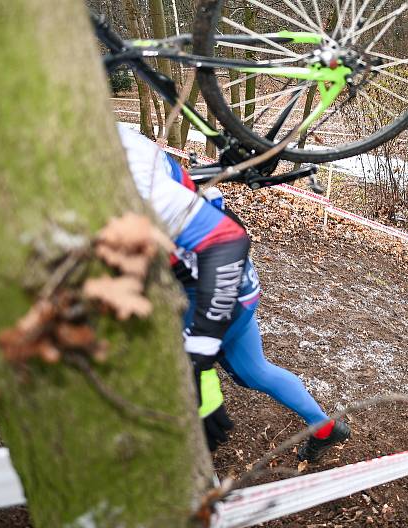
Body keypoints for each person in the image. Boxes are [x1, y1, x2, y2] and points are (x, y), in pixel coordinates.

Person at [116, 124, 349, 461]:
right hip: (235, 284)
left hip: (212, 287)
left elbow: (222, 238)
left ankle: (181, 458)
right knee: (254, 372)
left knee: (180, 373)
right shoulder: (125, 139)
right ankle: (325, 427)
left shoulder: (129, 178)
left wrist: (200, 356)